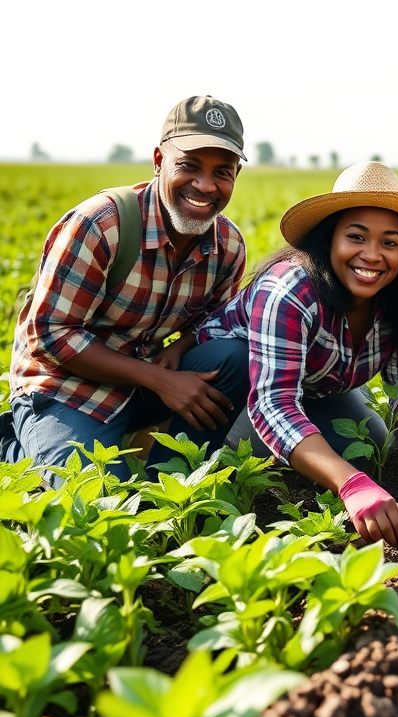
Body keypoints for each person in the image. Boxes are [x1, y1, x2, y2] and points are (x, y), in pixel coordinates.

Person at [196, 161, 398, 547]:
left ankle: (308, 455)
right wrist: (351, 485)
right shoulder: (289, 289)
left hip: (314, 391)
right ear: (330, 239)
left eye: (390, 242)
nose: (372, 255)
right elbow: (274, 404)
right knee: (263, 472)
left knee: (371, 451)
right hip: (226, 388)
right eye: (356, 237)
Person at [0, 95, 250, 484]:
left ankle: (170, 484)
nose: (205, 185)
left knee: (234, 356)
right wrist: (159, 379)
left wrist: (181, 349)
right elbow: (48, 336)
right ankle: (16, 449)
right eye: (188, 166)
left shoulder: (228, 246)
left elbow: (218, 324)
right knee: (95, 500)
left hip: (144, 384)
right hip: (68, 389)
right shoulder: (102, 224)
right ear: (157, 161)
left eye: (223, 172)